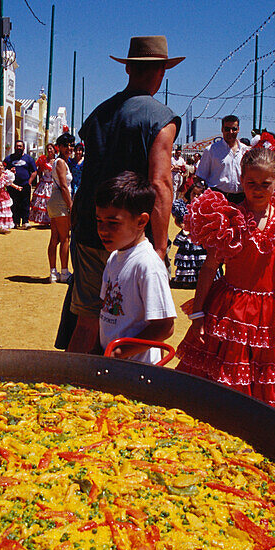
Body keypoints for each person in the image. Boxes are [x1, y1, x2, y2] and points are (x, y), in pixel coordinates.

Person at [176, 147, 275, 427]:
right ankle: (226, 427)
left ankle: (261, 430)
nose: (257, 189)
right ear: (241, 180)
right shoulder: (228, 220)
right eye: (251, 183)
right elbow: (209, 269)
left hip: (272, 314)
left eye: (265, 184)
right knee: (226, 374)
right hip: (229, 311)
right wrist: (198, 314)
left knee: (267, 376)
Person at [67, 35, 181, 354]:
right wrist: (160, 245)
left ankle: (66, 387)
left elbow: (87, 172)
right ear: (160, 72)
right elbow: (160, 183)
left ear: (128, 69)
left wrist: (79, 223)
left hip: (92, 228)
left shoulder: (100, 113)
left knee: (90, 320)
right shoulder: (161, 118)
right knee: (131, 321)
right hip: (130, 234)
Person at [96, 173, 177, 364]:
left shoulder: (147, 265)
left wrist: (119, 352)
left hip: (136, 369)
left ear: (141, 221)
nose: (103, 230)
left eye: (113, 223)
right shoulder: (114, 258)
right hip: (112, 365)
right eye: (99, 220)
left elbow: (165, 326)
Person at [196, 115, 245, 202]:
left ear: (238, 129)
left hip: (240, 199)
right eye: (227, 129)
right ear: (222, 129)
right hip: (217, 198)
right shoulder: (211, 150)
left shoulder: (245, 150)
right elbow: (200, 176)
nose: (230, 132)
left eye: (234, 129)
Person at [171, 180, 208, 288]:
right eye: (193, 194)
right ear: (189, 194)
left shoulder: (206, 207)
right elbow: (177, 220)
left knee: (200, 257)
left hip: (200, 236)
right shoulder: (183, 206)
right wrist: (181, 225)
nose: (196, 197)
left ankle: (199, 278)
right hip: (187, 236)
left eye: (199, 194)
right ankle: (187, 279)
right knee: (186, 256)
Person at [47, 139, 74, 282]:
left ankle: (53, 272)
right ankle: (64, 272)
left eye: (71, 145)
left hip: (55, 199)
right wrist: (70, 205)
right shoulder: (61, 163)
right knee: (65, 239)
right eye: (66, 146)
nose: (69, 148)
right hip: (60, 200)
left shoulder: (59, 162)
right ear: (60, 147)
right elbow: (64, 186)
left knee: (55, 238)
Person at [4, 140, 37, 228]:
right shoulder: (9, 159)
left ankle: (25, 222)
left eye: (20, 146)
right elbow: (3, 170)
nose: (18, 148)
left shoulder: (29, 159)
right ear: (14, 147)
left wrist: (29, 182)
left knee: (25, 203)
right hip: (13, 186)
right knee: (14, 203)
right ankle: (15, 221)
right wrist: (9, 171)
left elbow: (34, 172)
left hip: (25, 185)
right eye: (17, 146)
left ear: (23, 148)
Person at [29, 145, 57, 225]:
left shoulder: (58, 160)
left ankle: (52, 220)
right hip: (44, 183)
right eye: (48, 149)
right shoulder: (43, 159)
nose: (49, 150)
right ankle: (44, 220)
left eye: (51, 149)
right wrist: (41, 177)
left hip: (53, 183)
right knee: (43, 202)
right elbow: (38, 169)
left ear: (54, 150)